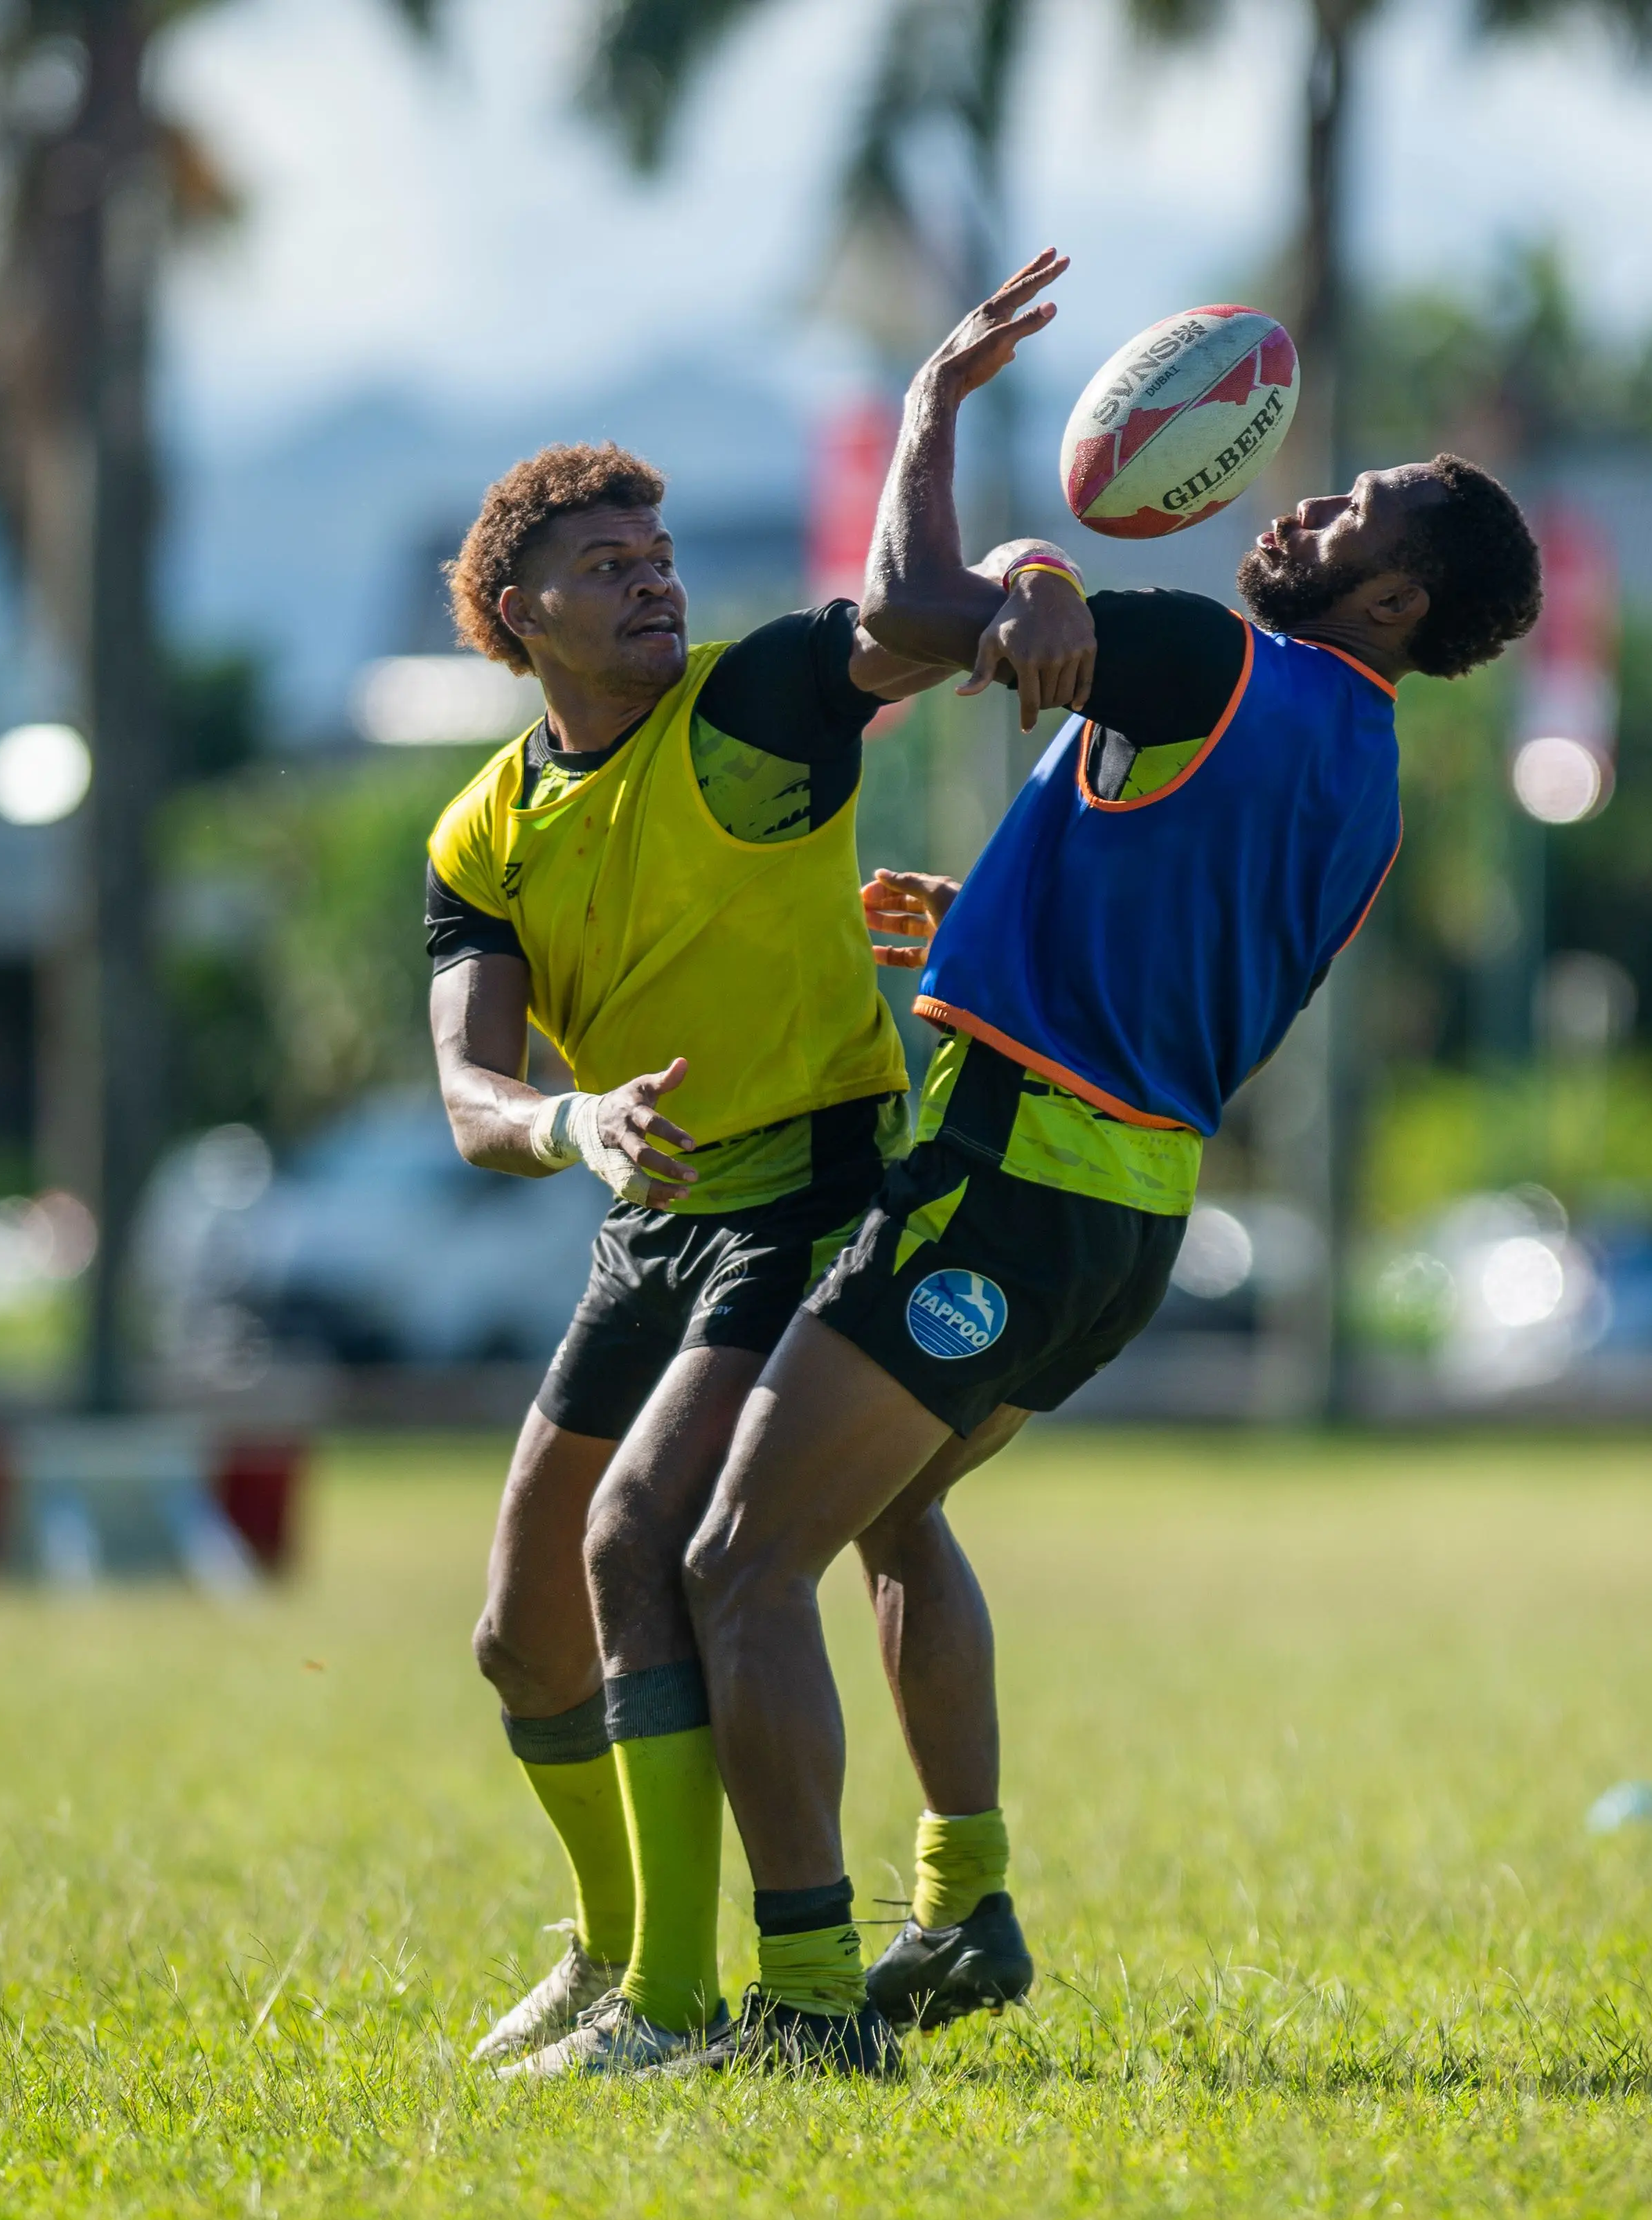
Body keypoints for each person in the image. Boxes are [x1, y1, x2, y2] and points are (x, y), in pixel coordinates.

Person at [669, 251, 1548, 2075]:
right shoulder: (1365, 772)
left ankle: (817, 2011)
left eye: (1344, 505)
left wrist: (935, 415)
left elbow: (913, 607)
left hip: (1009, 1182)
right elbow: (1180, 934)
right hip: (1128, 1221)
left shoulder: (1221, 658)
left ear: (1388, 593)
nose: (1298, 499)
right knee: (896, 1514)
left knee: (737, 1566)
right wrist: (996, 915)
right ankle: (966, 1902)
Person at [426, 441, 1098, 2077]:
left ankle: (702, 1984)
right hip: (651, 1205)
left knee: (676, 1534)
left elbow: (925, 622)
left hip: (815, 1178)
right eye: (604, 563)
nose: (652, 575)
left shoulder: (749, 700)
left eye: (657, 551)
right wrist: (567, 1124)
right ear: (517, 614)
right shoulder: (481, 831)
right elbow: (468, 1091)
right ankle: (610, 1951)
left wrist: (1042, 570)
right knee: (522, 1630)